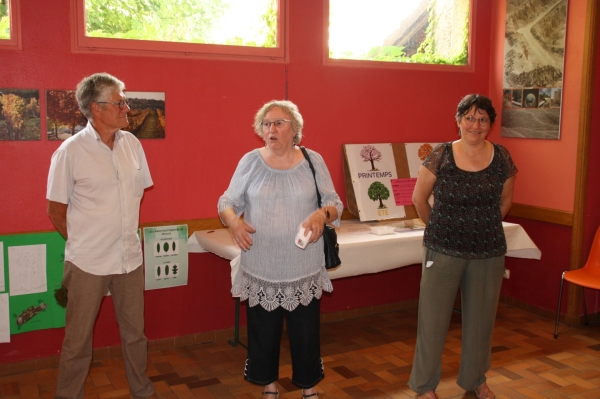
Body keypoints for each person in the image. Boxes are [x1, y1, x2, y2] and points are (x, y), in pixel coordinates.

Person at [218, 100, 343, 399]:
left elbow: (335, 204)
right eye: (266, 124)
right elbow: (226, 203)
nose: (271, 129)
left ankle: (308, 385)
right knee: (263, 332)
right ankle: (268, 385)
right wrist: (234, 223)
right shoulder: (250, 161)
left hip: (303, 265)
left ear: (295, 129)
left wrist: (320, 215)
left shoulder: (313, 160)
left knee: (306, 332)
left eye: (279, 123)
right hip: (261, 264)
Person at [47, 72, 156, 399]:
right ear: (96, 109)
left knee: (135, 335)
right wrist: (83, 244)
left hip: (130, 260)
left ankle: (143, 391)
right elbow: (55, 211)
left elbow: (137, 196)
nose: (127, 107)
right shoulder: (70, 151)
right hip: (87, 264)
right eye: (119, 101)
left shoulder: (133, 145)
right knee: (77, 342)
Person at [408, 94, 517, 399]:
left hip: (487, 250)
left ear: (490, 124)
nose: (475, 124)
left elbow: (505, 201)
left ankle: (475, 379)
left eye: (483, 119)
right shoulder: (441, 154)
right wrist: (441, 229)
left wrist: (482, 227)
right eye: (469, 117)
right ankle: (425, 386)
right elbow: (419, 199)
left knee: (481, 321)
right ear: (458, 121)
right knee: (432, 320)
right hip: (442, 249)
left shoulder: (502, 157)